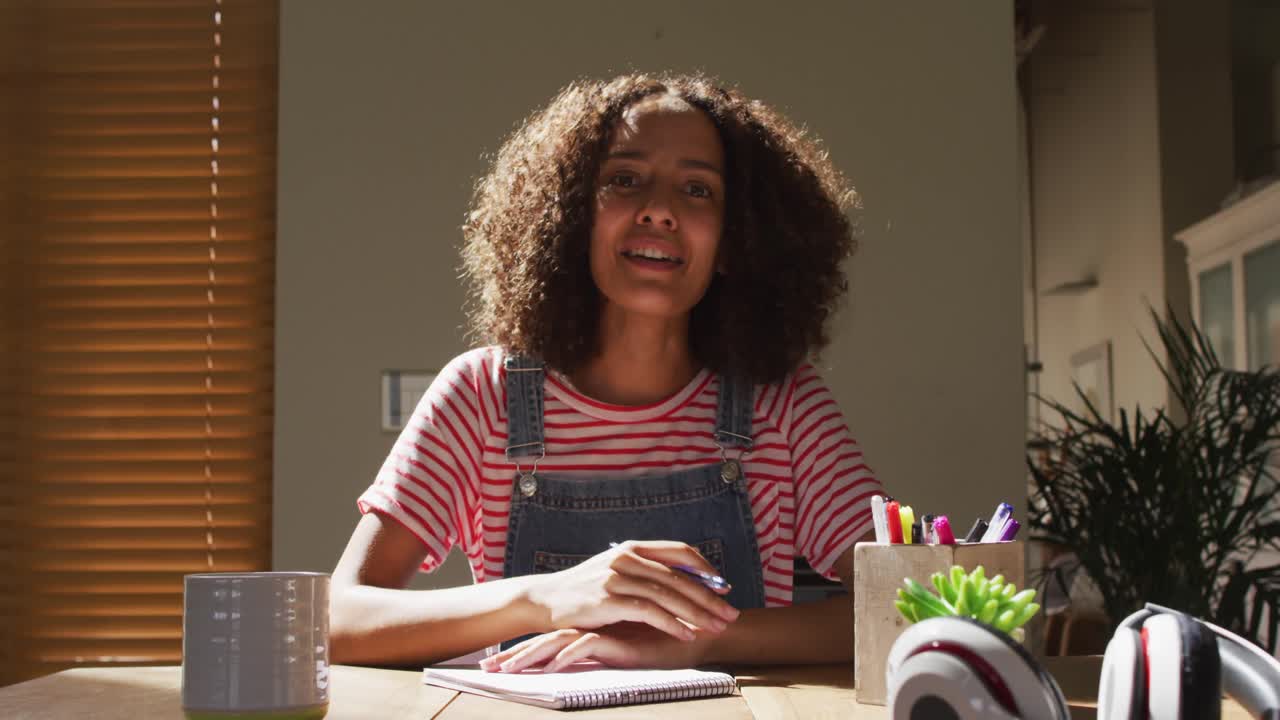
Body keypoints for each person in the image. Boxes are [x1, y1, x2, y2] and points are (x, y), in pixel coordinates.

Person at [330, 72, 884, 673]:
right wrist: (541, 598)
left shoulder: (783, 404)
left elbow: (909, 607)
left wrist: (696, 642)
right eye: (625, 180)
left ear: (734, 241)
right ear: (571, 216)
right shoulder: (481, 395)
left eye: (698, 190)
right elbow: (337, 620)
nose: (659, 211)